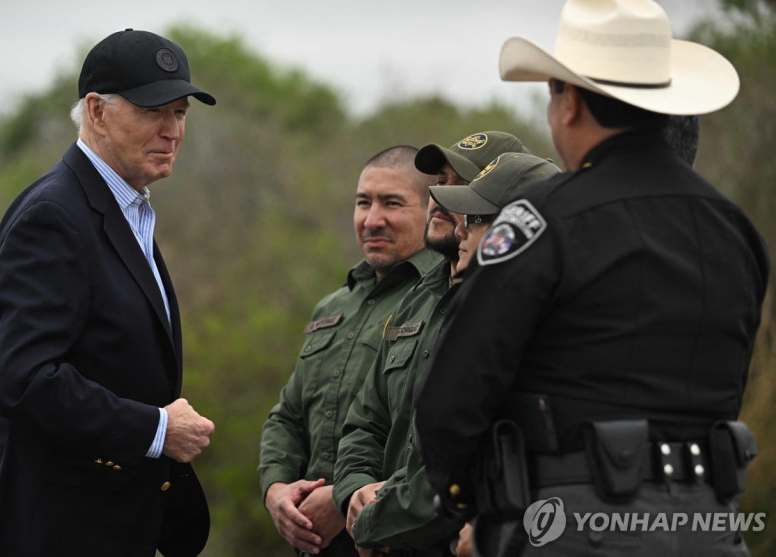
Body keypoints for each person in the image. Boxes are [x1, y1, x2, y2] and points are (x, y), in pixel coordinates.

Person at [415, 1, 770, 556]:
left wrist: (466, 503)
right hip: (711, 528)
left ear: (570, 101)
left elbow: (451, 394)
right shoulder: (735, 229)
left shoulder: (540, 219)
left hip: (573, 527)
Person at [0, 29, 217, 557]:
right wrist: (155, 429)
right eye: (154, 110)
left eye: (180, 112)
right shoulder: (54, 216)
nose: (172, 130)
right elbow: (25, 381)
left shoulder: (125, 208)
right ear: (96, 111)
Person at [334, 147, 559, 556]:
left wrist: (376, 522)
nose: (459, 230)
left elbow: (457, 462)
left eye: (474, 217)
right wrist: (355, 494)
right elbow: (366, 421)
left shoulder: (530, 327)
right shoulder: (431, 301)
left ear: (517, 229)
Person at [258, 146, 442, 556]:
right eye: (363, 203)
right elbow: (287, 415)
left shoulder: (443, 299)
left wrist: (345, 499)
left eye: (392, 203)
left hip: (393, 537)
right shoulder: (333, 307)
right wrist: (276, 488)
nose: (372, 219)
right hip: (311, 538)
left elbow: (434, 434)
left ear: (434, 210)